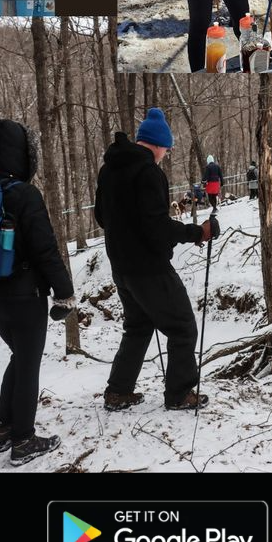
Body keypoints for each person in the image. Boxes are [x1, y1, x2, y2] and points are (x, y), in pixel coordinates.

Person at [95, 108, 219, 412]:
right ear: (157, 144)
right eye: (167, 147)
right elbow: (157, 227)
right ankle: (178, 394)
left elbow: (101, 216)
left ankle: (118, 392)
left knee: (138, 326)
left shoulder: (109, 169)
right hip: (148, 267)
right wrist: (198, 233)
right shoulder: (149, 172)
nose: (167, 153)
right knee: (183, 328)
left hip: (121, 267)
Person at [0, 120, 75, 466]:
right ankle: (23, 441)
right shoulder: (25, 195)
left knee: (20, 358)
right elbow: (46, 250)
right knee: (28, 365)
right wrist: (65, 293)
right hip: (25, 297)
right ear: (21, 153)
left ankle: (2, 430)